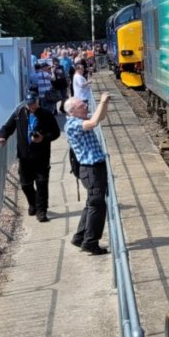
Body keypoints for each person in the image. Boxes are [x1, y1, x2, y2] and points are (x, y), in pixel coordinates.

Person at [0, 91, 61, 222]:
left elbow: (56, 133)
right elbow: (7, 127)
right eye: (29, 104)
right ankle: (33, 203)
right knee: (26, 184)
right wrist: (2, 137)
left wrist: (43, 138)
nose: (31, 106)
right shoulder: (19, 114)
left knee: (42, 183)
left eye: (33, 104)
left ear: (37, 102)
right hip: (24, 156)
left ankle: (41, 211)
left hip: (41, 156)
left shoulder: (46, 114)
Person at [64, 92, 112, 255]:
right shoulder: (72, 124)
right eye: (81, 106)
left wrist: (103, 104)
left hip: (94, 168)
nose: (85, 106)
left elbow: (100, 118)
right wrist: (102, 101)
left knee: (92, 203)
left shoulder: (80, 120)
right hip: (90, 169)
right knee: (97, 204)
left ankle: (80, 237)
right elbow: (94, 122)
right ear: (72, 111)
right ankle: (90, 241)